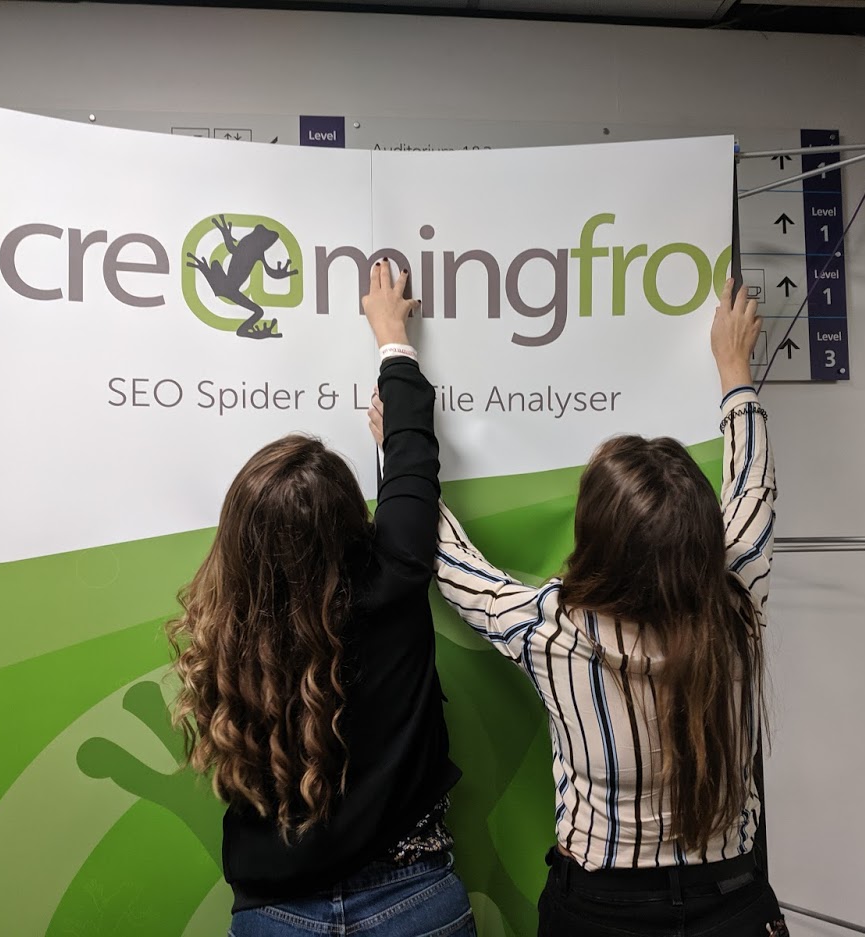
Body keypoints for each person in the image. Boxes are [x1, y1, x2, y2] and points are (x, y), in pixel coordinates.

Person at [372, 280, 786, 936]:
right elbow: (753, 486)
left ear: (593, 538)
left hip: (599, 912)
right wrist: (734, 367)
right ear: (703, 534)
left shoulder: (554, 630)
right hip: (735, 902)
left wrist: (395, 411)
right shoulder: (737, 596)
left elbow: (445, 558)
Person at [169, 260, 476, 937]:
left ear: (237, 539)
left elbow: (411, 465)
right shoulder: (397, 573)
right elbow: (413, 459)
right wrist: (391, 336)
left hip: (276, 915)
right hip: (413, 900)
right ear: (349, 519)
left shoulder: (228, 635)